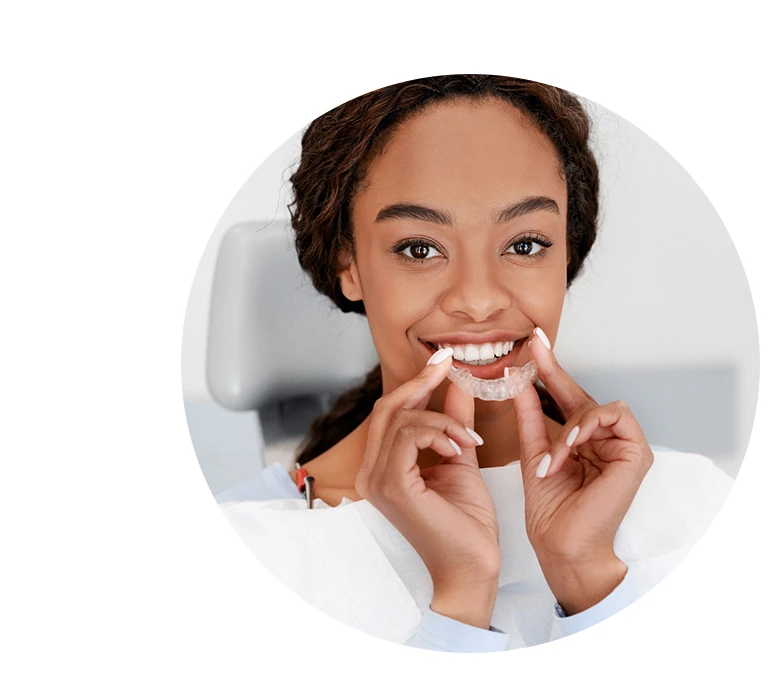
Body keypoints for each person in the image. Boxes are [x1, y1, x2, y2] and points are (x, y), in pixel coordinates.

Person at [217, 75, 734, 652]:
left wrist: (588, 578)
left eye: (525, 244)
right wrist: (461, 598)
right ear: (349, 265)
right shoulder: (250, 545)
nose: (480, 299)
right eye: (419, 249)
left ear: (567, 252)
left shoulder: (699, 507)